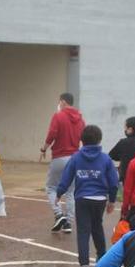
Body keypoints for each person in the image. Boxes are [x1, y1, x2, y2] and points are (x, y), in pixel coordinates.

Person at [55, 124, 119, 267]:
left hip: (82, 198)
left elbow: (66, 177)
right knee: (97, 227)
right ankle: (102, 258)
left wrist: (59, 193)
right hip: (100, 199)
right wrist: (112, 200)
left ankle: (84, 265)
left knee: (83, 231)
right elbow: (113, 181)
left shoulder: (76, 157)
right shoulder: (105, 158)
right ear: (99, 140)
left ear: (82, 140)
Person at [41, 92, 85, 233]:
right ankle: (68, 223)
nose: (59, 104)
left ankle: (59, 214)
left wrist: (44, 148)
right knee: (71, 191)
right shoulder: (80, 119)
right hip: (75, 157)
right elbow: (84, 137)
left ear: (63, 102)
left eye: (60, 102)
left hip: (59, 156)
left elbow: (52, 134)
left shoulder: (58, 116)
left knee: (51, 187)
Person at [108, 117, 135, 204]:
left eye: (125, 128)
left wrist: (122, 156)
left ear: (130, 129)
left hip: (126, 176)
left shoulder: (123, 142)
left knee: (127, 199)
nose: (125, 130)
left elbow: (111, 155)